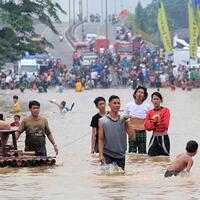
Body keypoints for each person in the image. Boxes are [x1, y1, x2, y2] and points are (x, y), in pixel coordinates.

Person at [98, 95, 134, 170]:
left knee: (120, 178)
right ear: (109, 105)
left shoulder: (123, 119)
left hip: (121, 155)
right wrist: (101, 155)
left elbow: (132, 137)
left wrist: (129, 122)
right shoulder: (102, 121)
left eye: (118, 103)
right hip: (107, 154)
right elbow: (100, 139)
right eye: (114, 103)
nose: (117, 105)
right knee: (107, 178)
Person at [123, 86, 150, 154]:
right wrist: (130, 117)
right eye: (138, 92)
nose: (140, 94)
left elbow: (149, 119)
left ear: (144, 96)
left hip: (142, 132)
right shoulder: (129, 105)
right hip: (132, 132)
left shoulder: (147, 106)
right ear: (135, 94)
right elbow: (123, 117)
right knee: (132, 153)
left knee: (143, 154)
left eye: (142, 93)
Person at [144, 92, 170, 156]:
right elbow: (147, 126)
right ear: (151, 101)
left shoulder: (166, 110)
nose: (155, 101)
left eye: (157, 99)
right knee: (150, 159)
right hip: (154, 138)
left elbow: (165, 125)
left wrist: (152, 123)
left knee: (164, 160)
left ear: (161, 100)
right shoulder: (149, 112)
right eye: (154, 99)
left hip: (164, 138)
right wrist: (156, 124)